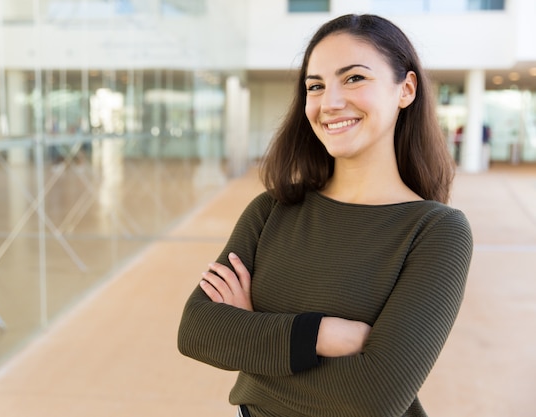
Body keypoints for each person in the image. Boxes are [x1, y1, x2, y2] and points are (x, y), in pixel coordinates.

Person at [177, 14, 473, 417]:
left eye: (353, 78)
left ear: (405, 89)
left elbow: (372, 399)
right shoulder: (271, 211)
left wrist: (253, 335)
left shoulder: (436, 231)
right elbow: (197, 331)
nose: (329, 103)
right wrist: (321, 334)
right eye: (315, 86)